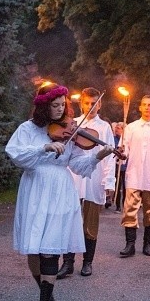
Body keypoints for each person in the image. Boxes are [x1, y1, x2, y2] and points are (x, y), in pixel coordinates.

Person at [5, 83, 114, 301]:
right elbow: (15, 154)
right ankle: (47, 293)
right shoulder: (28, 129)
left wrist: (98, 155)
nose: (60, 110)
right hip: (34, 190)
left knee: (50, 250)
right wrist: (44, 146)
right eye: (55, 106)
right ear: (44, 106)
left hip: (60, 191)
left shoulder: (70, 130)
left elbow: (77, 165)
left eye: (63, 105)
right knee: (34, 252)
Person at [56, 88, 116, 279]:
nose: (91, 107)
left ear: (99, 104)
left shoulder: (105, 127)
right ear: (81, 103)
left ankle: (87, 262)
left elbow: (109, 156)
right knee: (71, 221)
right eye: (87, 103)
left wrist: (109, 182)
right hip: (74, 177)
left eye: (94, 103)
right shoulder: (73, 124)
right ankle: (67, 262)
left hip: (94, 178)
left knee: (90, 224)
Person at [119, 96, 150, 257]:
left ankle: (147, 244)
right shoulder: (131, 127)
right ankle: (130, 244)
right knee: (130, 210)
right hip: (134, 173)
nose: (147, 108)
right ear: (140, 107)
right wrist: (121, 153)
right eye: (144, 105)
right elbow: (125, 149)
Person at [110, 122, 126, 211]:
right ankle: (117, 205)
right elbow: (112, 149)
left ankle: (124, 203)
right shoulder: (113, 139)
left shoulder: (126, 139)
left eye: (119, 128)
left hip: (125, 166)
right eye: (116, 128)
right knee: (117, 184)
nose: (116, 129)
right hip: (116, 165)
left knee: (125, 186)